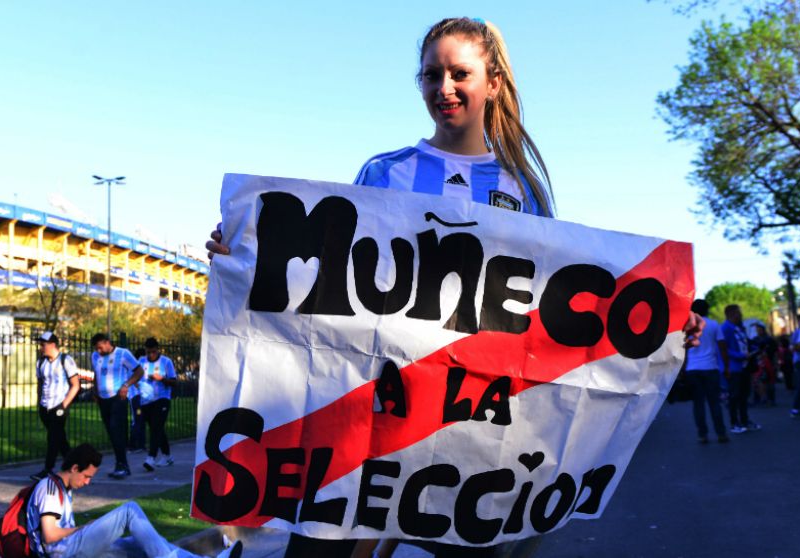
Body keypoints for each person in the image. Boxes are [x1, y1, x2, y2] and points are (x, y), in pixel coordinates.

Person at [206, 17, 703, 558]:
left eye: (458, 73)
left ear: (492, 83)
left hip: (475, 434)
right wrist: (248, 257)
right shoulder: (384, 173)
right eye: (430, 75)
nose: (443, 87)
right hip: (376, 413)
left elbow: (564, 304)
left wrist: (667, 322)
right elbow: (328, 275)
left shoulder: (522, 190)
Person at [25, 443, 242, 558]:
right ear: (74, 468)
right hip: (65, 553)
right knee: (129, 510)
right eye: (86, 476)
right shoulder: (50, 488)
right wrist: (84, 528)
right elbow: (50, 535)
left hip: (72, 548)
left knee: (143, 542)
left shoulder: (63, 488)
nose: (88, 482)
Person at [90, 333, 145, 479]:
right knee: (111, 432)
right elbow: (96, 373)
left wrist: (126, 385)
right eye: (96, 349)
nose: (99, 351)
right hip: (103, 399)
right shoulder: (95, 356)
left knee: (116, 430)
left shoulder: (123, 353)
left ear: (107, 342)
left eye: (100, 348)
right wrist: (94, 390)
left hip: (118, 397)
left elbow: (139, 371)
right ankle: (120, 463)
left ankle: (123, 465)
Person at [31, 332, 80, 482]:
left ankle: (48, 469)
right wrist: (39, 402)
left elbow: (75, 385)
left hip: (59, 406)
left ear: (52, 345)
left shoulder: (66, 360)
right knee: (60, 438)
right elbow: (40, 383)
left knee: (53, 437)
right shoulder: (41, 363)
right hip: (45, 406)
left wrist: (64, 405)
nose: (41, 348)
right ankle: (75, 465)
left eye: (43, 345)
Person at [684, 299, 730, 443]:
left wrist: (682, 370)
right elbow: (722, 347)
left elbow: (683, 349)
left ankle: (702, 435)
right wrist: (726, 367)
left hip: (692, 369)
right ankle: (721, 433)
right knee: (714, 402)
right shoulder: (714, 324)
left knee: (698, 404)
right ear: (707, 310)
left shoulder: (687, 326)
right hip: (711, 368)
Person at [138, 337, 178, 471]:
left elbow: (174, 381)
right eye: (148, 352)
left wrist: (161, 379)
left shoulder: (166, 362)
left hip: (162, 398)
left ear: (157, 350)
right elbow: (136, 376)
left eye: (153, 352)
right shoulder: (141, 361)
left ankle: (151, 458)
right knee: (157, 428)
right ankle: (167, 456)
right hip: (146, 400)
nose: (150, 355)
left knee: (156, 427)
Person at [721, 304, 759, 433]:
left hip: (744, 366)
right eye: (738, 313)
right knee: (734, 396)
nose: (741, 315)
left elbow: (745, 342)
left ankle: (744, 420)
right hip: (734, 367)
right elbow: (724, 349)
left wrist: (753, 349)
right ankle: (734, 422)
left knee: (744, 394)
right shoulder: (725, 328)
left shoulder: (739, 328)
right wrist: (741, 355)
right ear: (731, 315)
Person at [127, 348, 147, 455]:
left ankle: (140, 444)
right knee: (137, 420)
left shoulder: (137, 365)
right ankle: (134, 445)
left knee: (139, 419)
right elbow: (134, 380)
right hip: (136, 396)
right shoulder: (137, 365)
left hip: (138, 397)